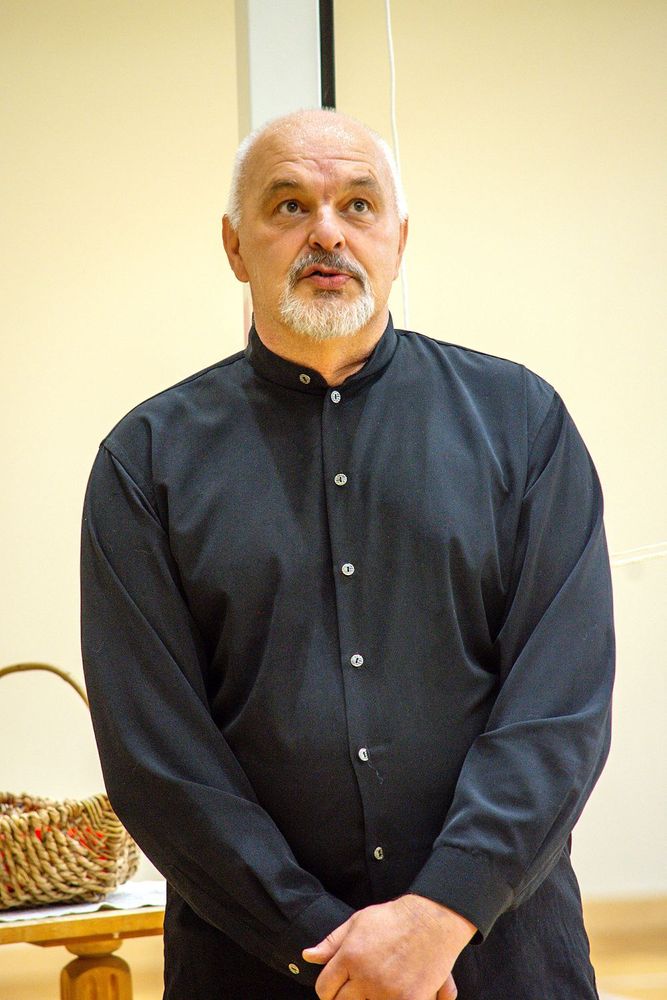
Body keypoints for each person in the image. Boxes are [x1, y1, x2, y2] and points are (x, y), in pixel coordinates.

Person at [80, 108, 615, 1000]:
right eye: (288, 205)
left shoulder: (523, 425)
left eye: (357, 205)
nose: (327, 231)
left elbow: (557, 710)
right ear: (234, 246)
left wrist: (439, 916)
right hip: (254, 968)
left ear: (398, 240)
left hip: (502, 957)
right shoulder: (145, 462)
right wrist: (324, 948)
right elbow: (158, 758)